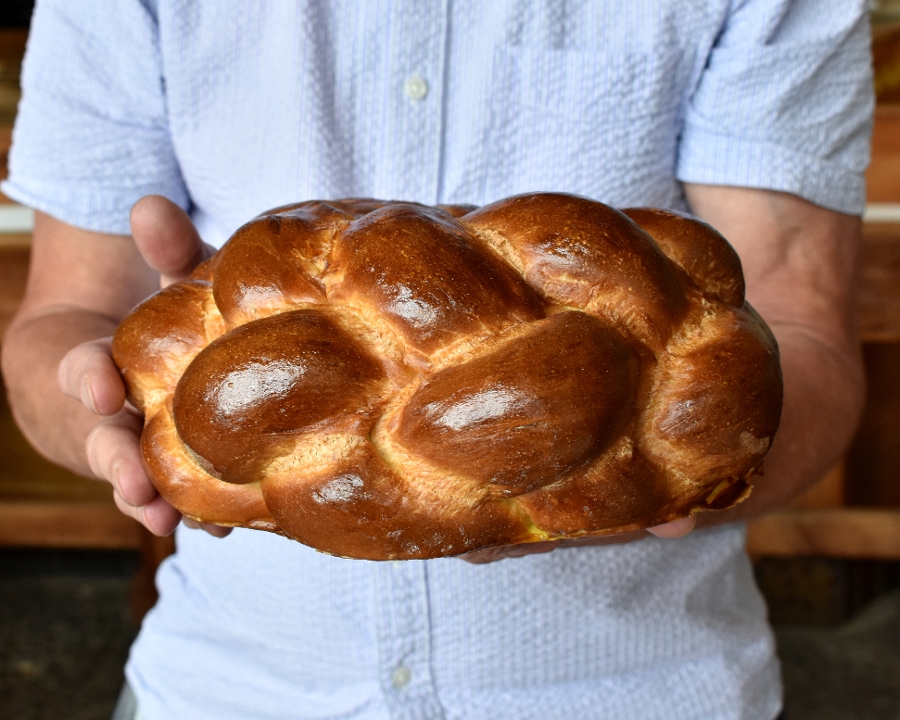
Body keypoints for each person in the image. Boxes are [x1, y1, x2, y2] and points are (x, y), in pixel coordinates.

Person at [0, 1, 873, 718]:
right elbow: (62, 316)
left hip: (646, 692)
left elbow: (798, 340)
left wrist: (635, 479)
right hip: (228, 689)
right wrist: (98, 416)